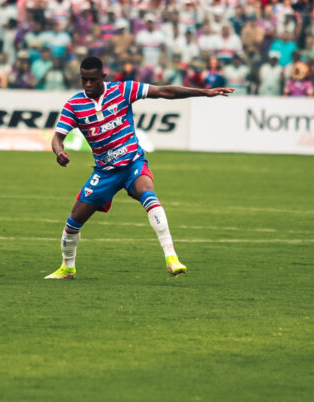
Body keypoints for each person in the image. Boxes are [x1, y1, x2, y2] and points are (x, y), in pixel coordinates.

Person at [44, 56, 234, 279]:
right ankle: (67, 267)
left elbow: (165, 92)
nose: (87, 84)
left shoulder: (124, 90)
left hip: (132, 161)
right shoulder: (74, 105)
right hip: (104, 172)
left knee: (148, 193)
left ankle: (171, 257)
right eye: (84, 79)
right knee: (74, 221)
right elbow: (57, 137)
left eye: (92, 80)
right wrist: (59, 152)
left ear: (103, 77)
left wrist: (204, 92)